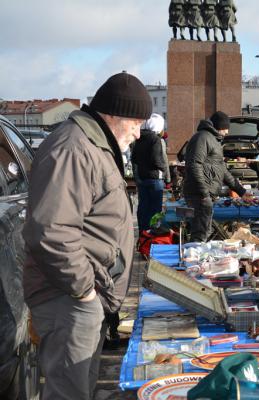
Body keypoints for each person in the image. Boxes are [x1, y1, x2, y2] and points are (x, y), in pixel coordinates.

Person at [22, 72, 152, 400]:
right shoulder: (73, 148)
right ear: (112, 116)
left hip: (82, 296)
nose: (138, 134)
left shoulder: (93, 144)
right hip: (68, 297)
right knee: (69, 392)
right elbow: (50, 230)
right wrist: (84, 291)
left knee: (81, 387)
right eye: (135, 123)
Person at [184, 111, 252, 242]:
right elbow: (194, 165)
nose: (227, 132)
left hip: (205, 194)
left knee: (204, 231)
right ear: (219, 127)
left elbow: (223, 171)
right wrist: (204, 193)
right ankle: (193, 259)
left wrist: (241, 191)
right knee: (200, 233)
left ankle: (196, 257)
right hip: (199, 195)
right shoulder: (202, 138)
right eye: (226, 129)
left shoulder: (214, 140)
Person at [132, 113, 169, 232]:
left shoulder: (139, 139)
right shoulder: (155, 139)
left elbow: (134, 159)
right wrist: (163, 168)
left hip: (142, 178)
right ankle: (153, 233)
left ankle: (143, 233)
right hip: (155, 178)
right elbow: (156, 159)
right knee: (155, 210)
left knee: (143, 207)